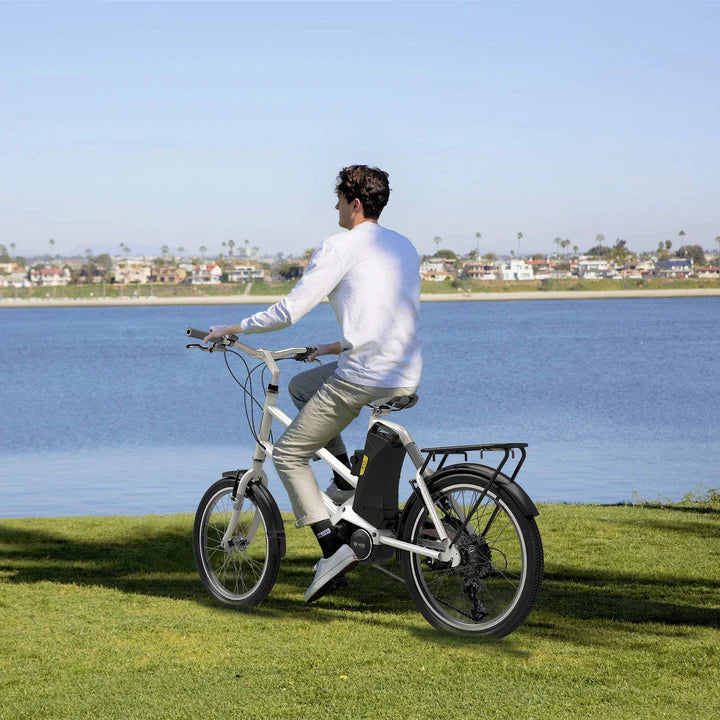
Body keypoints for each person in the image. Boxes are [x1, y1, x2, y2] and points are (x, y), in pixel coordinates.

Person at [203, 165, 422, 602]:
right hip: (404, 372)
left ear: (355, 204)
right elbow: (385, 317)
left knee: (287, 456)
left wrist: (232, 327)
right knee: (303, 386)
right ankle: (343, 482)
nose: (335, 206)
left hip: (362, 377)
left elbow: (288, 311)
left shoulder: (339, 247)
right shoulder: (402, 246)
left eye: (339, 199)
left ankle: (332, 549)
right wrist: (336, 346)